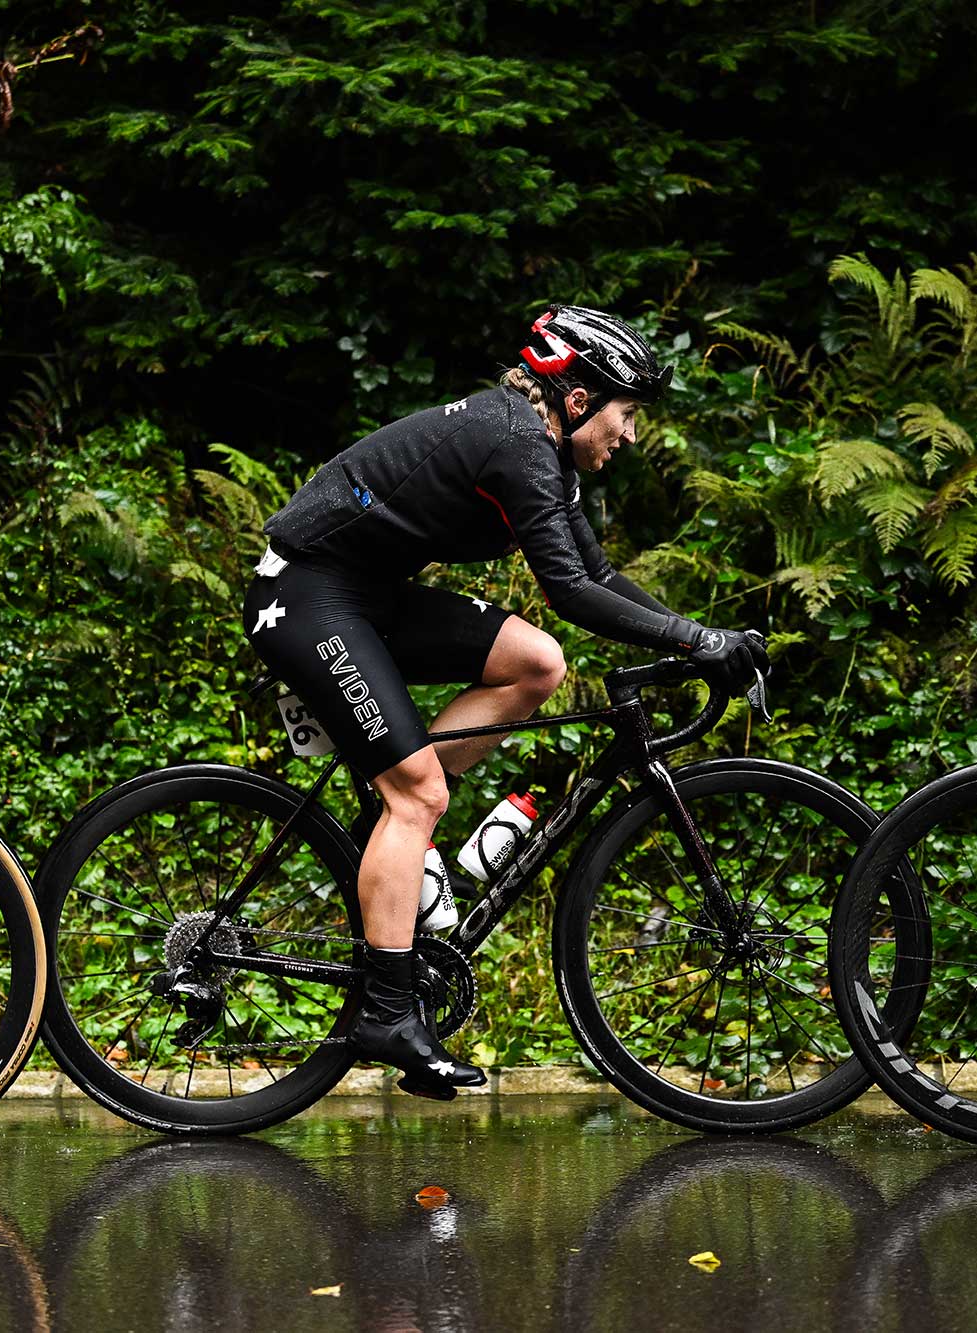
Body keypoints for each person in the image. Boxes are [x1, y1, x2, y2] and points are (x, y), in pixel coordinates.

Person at [245, 304, 766, 1098]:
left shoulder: (541, 449)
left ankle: (395, 810)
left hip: (363, 592)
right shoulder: (519, 441)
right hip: (308, 594)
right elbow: (569, 591)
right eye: (626, 415)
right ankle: (387, 1008)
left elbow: (595, 577)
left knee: (535, 662)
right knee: (418, 791)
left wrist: (701, 634)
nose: (630, 436)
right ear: (581, 398)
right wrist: (699, 644)